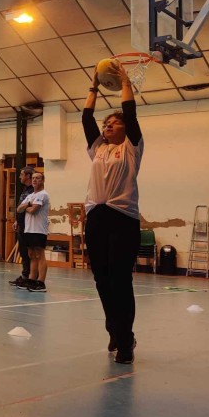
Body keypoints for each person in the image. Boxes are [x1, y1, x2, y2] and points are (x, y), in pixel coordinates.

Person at [83, 61, 143, 365]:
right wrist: (93, 86)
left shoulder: (131, 147)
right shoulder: (98, 148)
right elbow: (86, 118)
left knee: (120, 280)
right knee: (101, 279)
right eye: (106, 123)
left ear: (125, 130)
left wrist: (125, 83)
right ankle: (114, 329)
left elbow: (130, 114)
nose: (107, 126)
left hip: (122, 218)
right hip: (96, 217)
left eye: (113, 123)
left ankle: (126, 339)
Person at [16, 172, 50, 293]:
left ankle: (41, 282)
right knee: (31, 254)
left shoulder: (43, 194)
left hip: (38, 229)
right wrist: (28, 205)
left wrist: (27, 207)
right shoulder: (30, 196)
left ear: (43, 180)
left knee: (40, 254)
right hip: (28, 229)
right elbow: (19, 209)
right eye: (34, 178)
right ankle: (31, 279)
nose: (35, 180)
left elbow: (33, 210)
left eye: (38, 178)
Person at [8, 167, 34, 287]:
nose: (19, 177)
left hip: (29, 226)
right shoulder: (25, 190)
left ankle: (31, 277)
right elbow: (20, 207)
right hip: (21, 224)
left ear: (28, 176)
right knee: (23, 252)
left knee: (30, 253)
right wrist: (17, 220)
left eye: (21, 174)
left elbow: (29, 208)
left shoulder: (33, 191)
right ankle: (25, 276)